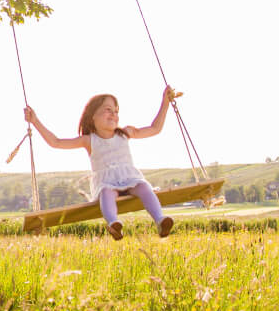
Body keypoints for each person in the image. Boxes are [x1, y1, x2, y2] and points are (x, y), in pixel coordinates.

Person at [24, 86, 177, 240]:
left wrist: (165, 103)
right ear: (93, 116)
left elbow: (155, 128)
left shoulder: (125, 133)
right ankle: (113, 224)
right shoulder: (89, 140)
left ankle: (160, 220)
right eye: (108, 110)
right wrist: (35, 121)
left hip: (130, 179)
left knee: (143, 186)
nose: (114, 114)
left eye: (116, 111)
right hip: (107, 183)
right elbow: (56, 142)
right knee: (106, 193)